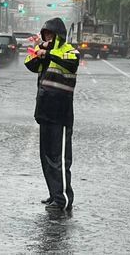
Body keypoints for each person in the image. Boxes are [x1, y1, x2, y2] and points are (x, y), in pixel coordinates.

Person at [24, 17, 79, 211]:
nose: (47, 37)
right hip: (44, 110)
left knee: (60, 159)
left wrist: (49, 52)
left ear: (58, 35)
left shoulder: (68, 51)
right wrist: (38, 53)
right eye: (45, 34)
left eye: (50, 34)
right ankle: (54, 194)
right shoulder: (45, 52)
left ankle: (63, 198)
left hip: (61, 113)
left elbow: (72, 63)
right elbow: (30, 65)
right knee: (46, 158)